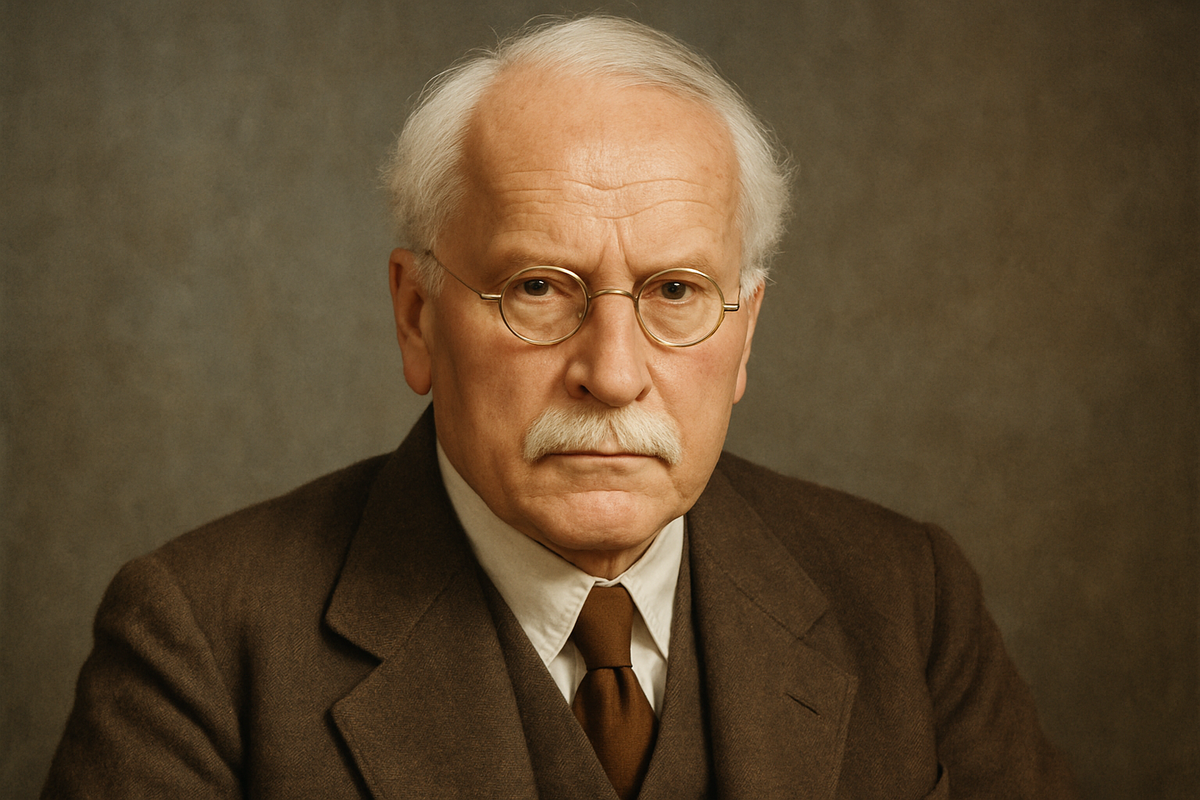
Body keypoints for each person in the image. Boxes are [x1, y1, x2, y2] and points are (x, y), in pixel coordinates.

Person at [42, 15, 1077, 799]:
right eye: (538, 287)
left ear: (746, 332)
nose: (613, 373)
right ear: (416, 316)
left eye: (676, 291)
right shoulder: (199, 646)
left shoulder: (907, 598)